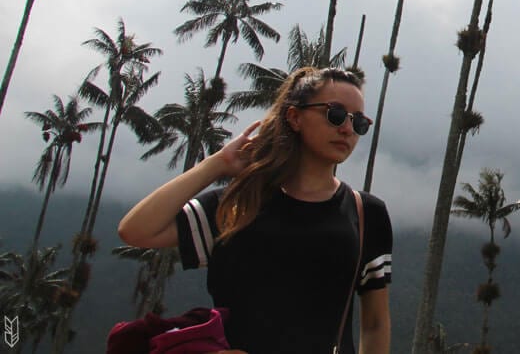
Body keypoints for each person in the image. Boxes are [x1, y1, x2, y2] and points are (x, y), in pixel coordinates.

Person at [118, 67, 392, 354]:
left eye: (358, 122)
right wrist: (218, 164)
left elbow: (375, 322)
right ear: (295, 117)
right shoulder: (239, 205)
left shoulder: (365, 214)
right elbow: (136, 230)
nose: (347, 129)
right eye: (335, 114)